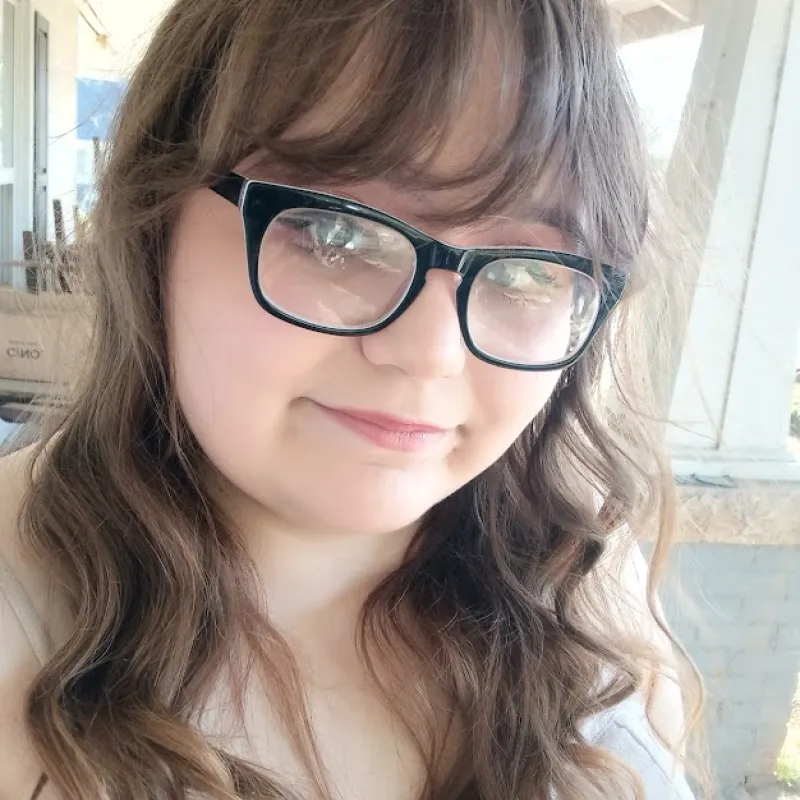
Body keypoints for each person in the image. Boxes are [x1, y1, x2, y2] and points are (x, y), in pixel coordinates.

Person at [0, 0, 704, 798]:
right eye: (336, 233)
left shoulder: (586, 585)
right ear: (151, 221)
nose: (430, 353)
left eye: (531, 271)